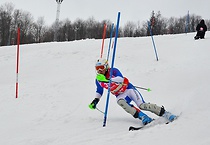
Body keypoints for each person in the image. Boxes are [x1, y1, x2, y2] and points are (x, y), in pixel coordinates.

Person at [89, 58, 176, 125]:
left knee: (142, 105)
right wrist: (95, 100)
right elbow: (99, 91)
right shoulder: (98, 80)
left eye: (101, 68)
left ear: (106, 66)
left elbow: (120, 79)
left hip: (128, 89)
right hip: (120, 95)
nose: (99, 70)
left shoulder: (113, 71)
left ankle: (165, 113)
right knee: (121, 102)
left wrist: (107, 80)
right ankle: (144, 117)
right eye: (97, 68)